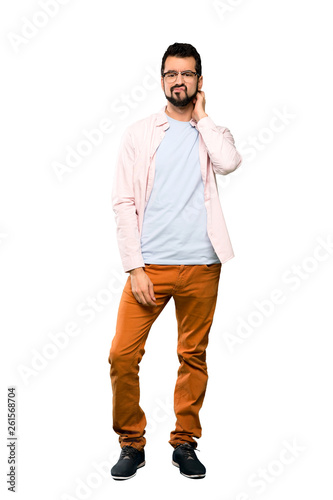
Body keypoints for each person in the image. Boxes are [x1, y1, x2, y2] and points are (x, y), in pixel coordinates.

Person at [108, 42, 242, 480]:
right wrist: (135, 267)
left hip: (203, 266)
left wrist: (203, 117)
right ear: (162, 80)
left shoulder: (212, 132)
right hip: (151, 268)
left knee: (193, 355)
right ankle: (132, 443)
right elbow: (124, 201)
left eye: (187, 74)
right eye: (171, 74)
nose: (178, 81)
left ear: (199, 81)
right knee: (122, 356)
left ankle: (185, 442)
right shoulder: (140, 133)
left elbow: (229, 163)